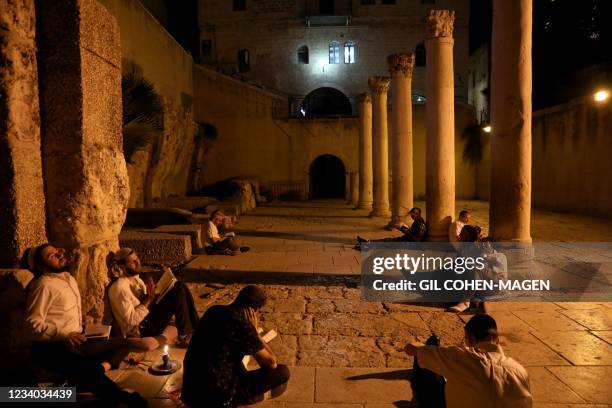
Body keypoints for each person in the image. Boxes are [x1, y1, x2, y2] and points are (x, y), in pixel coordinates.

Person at [24, 244, 147, 407]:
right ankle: (121, 398)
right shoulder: (43, 285)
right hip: (53, 347)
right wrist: (65, 334)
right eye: (50, 255)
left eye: (57, 251)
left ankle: (93, 373)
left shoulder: (69, 278)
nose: (59, 255)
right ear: (41, 265)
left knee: (123, 342)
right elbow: (31, 325)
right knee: (88, 371)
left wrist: (81, 323)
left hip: (78, 340)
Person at [182, 285, 290, 407]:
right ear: (253, 310)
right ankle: (238, 400)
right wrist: (254, 331)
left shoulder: (214, 310)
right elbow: (271, 363)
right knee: (283, 373)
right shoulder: (243, 325)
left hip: (189, 391)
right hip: (215, 397)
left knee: (236, 359)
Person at [405, 314, 532, 408]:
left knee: (426, 358)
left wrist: (428, 349)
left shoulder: (462, 357)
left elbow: (411, 349)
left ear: (471, 338)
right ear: (497, 339)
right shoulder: (520, 370)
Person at [108, 248, 199, 350]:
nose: (138, 262)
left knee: (179, 285)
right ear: (122, 266)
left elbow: (146, 302)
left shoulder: (137, 279)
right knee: (177, 290)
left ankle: (196, 328)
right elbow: (131, 321)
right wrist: (150, 298)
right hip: (142, 328)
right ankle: (184, 335)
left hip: (148, 317)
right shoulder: (119, 287)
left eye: (137, 258)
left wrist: (156, 293)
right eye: (133, 262)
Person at [356, 207, 427, 249]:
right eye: (411, 215)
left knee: (388, 242)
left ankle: (366, 245)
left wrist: (408, 232)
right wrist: (404, 230)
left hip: (411, 244)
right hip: (406, 239)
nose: (412, 216)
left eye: (413, 215)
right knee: (387, 240)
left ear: (418, 214)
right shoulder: (416, 222)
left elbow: (418, 241)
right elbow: (412, 234)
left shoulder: (421, 225)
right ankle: (367, 243)